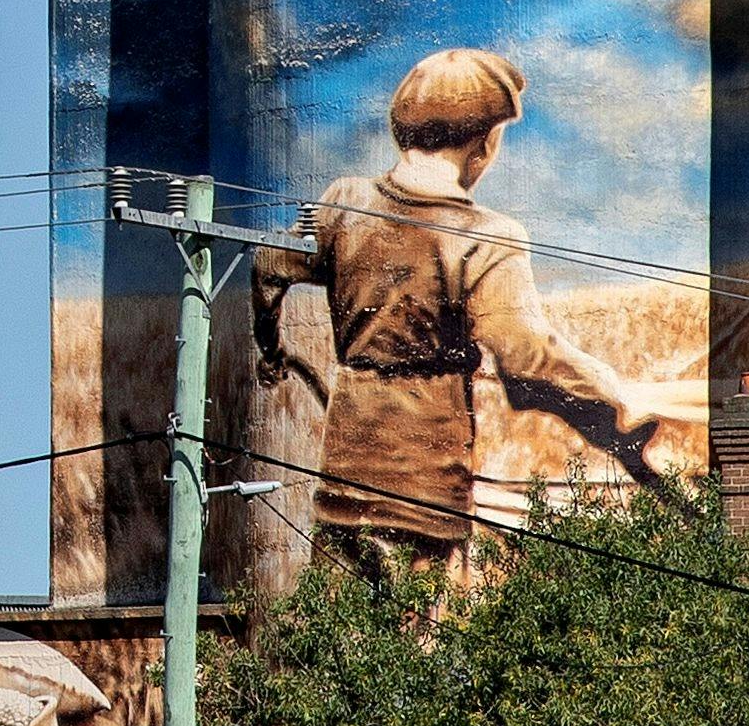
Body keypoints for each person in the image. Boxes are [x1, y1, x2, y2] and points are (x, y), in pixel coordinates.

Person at [251, 47, 688, 550]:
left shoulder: (345, 202)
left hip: (343, 483)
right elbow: (527, 355)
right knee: (429, 625)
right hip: (428, 490)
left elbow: (268, 265)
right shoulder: (487, 238)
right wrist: (618, 406)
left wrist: (271, 348)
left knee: (339, 619)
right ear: (482, 143)